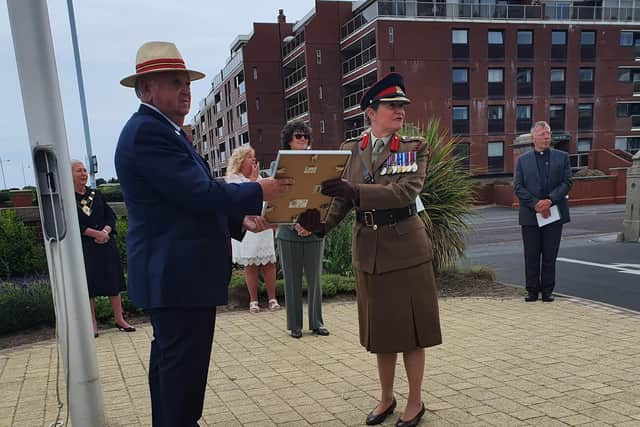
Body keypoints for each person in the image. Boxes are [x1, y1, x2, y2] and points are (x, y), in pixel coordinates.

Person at [114, 41, 291, 427]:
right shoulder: (149, 132)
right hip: (177, 276)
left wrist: (238, 221)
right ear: (145, 89)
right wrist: (261, 190)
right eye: (173, 82)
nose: (185, 90)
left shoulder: (165, 131)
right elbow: (198, 193)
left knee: (173, 367)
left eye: (187, 82)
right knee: (181, 371)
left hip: (177, 275)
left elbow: (186, 202)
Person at [298, 73, 441, 427]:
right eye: (392, 106)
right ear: (370, 112)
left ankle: (415, 401)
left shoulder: (413, 147)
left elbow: (406, 191)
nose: (400, 112)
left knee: (411, 332)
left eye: (402, 106)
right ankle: (386, 397)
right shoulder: (351, 150)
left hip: (406, 248)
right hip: (369, 251)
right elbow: (339, 200)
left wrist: (355, 192)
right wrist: (322, 226)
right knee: (381, 333)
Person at [276, 121, 329, 339]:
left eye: (306, 137)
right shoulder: (278, 165)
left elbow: (323, 195)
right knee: (292, 280)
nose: (303, 140)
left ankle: (317, 322)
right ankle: (295, 326)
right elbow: (279, 199)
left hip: (313, 231)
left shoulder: (320, 163)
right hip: (289, 232)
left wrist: (310, 225)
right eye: (298, 136)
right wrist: (295, 223)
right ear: (288, 139)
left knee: (315, 279)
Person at [71, 160, 135, 338]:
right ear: (69, 175)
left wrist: (105, 231)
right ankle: (92, 324)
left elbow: (110, 216)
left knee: (113, 282)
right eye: (78, 171)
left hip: (106, 245)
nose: (83, 173)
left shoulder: (96, 194)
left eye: (84, 170)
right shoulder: (68, 199)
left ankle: (119, 319)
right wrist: (94, 234)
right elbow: (74, 223)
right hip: (86, 247)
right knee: (89, 285)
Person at [513, 121, 572, 303]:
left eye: (548, 134)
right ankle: (531, 291)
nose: (546, 137)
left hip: (554, 214)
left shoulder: (562, 157)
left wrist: (550, 201)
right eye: (542, 134)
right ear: (533, 138)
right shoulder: (522, 161)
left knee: (549, 255)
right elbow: (518, 187)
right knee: (531, 255)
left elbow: (567, 182)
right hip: (530, 215)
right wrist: (536, 204)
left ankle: (547, 291)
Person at [225, 146, 280, 313]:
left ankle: (272, 298)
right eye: (250, 157)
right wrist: (254, 180)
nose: (253, 160)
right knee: (251, 265)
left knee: (269, 263)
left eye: (254, 157)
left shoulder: (260, 177)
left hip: (262, 226)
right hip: (246, 229)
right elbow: (241, 199)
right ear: (241, 161)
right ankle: (253, 300)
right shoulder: (233, 179)